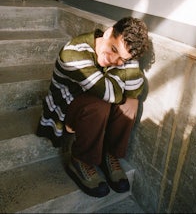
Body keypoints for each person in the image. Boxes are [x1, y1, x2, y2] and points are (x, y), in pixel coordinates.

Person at [37, 16, 149, 198]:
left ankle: (108, 153)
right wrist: (122, 75)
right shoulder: (73, 53)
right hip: (66, 108)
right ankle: (80, 159)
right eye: (113, 49)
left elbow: (135, 89)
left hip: (94, 101)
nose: (114, 59)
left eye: (123, 59)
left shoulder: (120, 56)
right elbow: (111, 93)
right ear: (108, 33)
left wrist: (128, 61)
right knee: (101, 104)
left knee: (131, 102)